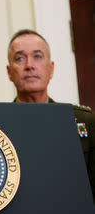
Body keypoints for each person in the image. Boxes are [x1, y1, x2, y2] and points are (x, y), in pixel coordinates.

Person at [6, 28, 95, 200]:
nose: (29, 65)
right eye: (20, 58)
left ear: (51, 68)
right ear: (10, 72)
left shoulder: (83, 121)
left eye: (37, 56)